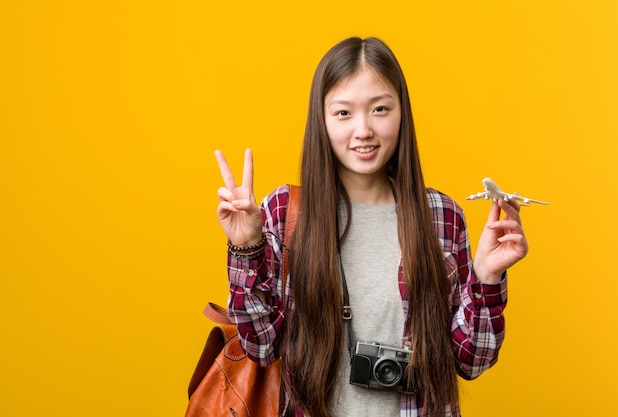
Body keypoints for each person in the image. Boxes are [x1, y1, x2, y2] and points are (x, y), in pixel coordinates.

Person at [214, 37, 528, 417]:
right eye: (343, 113)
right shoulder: (285, 212)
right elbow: (261, 346)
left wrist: (487, 277)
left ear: (402, 113)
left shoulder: (441, 216)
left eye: (380, 109)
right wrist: (246, 247)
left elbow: (472, 360)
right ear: (322, 120)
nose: (363, 130)